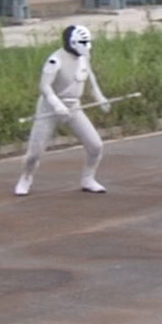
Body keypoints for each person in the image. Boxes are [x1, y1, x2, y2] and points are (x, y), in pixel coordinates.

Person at [15, 24, 111, 196]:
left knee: (95, 146)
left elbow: (90, 77)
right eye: (83, 42)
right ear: (72, 42)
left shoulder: (84, 57)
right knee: (34, 153)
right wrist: (57, 104)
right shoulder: (55, 60)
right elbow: (44, 87)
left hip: (74, 107)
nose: (86, 46)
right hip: (49, 108)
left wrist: (100, 97)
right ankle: (26, 177)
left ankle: (88, 178)